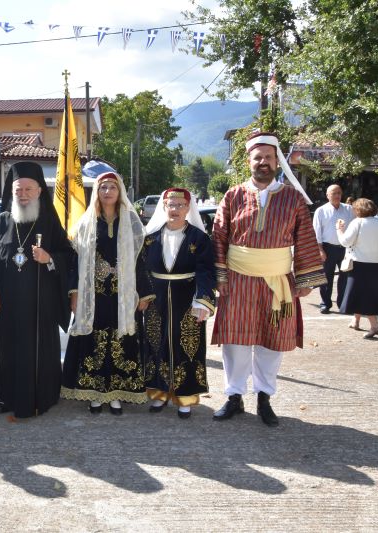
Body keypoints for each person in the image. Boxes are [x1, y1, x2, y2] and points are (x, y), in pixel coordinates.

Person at [212, 131, 326, 427]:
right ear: (248, 161)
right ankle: (234, 396)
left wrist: (305, 279)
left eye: (268, 158)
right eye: (257, 157)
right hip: (237, 279)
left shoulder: (293, 199)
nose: (263, 162)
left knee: (271, 341)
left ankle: (264, 397)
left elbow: (304, 240)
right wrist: (220, 276)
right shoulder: (233, 195)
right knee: (235, 341)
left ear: (277, 162)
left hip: (278, 280)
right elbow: (219, 236)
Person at [0, 161, 75, 418]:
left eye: (28, 189)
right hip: (8, 304)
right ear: (11, 192)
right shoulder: (2, 221)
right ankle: (8, 398)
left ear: (39, 191)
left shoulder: (48, 221)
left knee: (38, 353)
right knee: (8, 354)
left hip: (40, 304)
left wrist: (50, 259)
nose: (22, 195)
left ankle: (41, 397)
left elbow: (68, 255)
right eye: (17, 190)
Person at [61, 172, 148, 415]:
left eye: (112, 187)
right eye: (103, 187)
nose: (108, 191)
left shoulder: (130, 223)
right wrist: (75, 293)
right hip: (94, 296)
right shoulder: (85, 224)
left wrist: (143, 293)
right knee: (94, 342)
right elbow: (75, 262)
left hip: (123, 295)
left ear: (120, 191)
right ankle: (96, 394)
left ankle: (117, 394)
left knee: (121, 340)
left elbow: (141, 260)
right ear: (96, 192)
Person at [141, 188, 216, 419]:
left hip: (188, 299)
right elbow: (142, 270)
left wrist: (203, 301)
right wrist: (142, 295)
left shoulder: (199, 238)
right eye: (170, 205)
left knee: (188, 347)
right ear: (164, 207)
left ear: (188, 208)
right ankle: (159, 392)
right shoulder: (150, 238)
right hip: (156, 299)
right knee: (157, 343)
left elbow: (206, 271)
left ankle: (185, 396)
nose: (175, 210)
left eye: (180, 205)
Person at [335, 198, 378, 338]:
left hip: (359, 265)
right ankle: (355, 320)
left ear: (358, 210)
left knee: (361, 294)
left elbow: (345, 242)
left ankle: (375, 325)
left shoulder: (358, 222)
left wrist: (339, 229)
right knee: (370, 294)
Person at [312, 184, 354, 314]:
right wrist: (320, 250)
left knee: (345, 277)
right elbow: (316, 232)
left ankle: (343, 304)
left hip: (346, 248)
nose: (337, 195)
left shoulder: (349, 209)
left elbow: (355, 228)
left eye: (339, 193)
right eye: (334, 193)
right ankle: (325, 304)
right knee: (326, 278)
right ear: (327, 195)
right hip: (327, 248)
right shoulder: (321, 211)